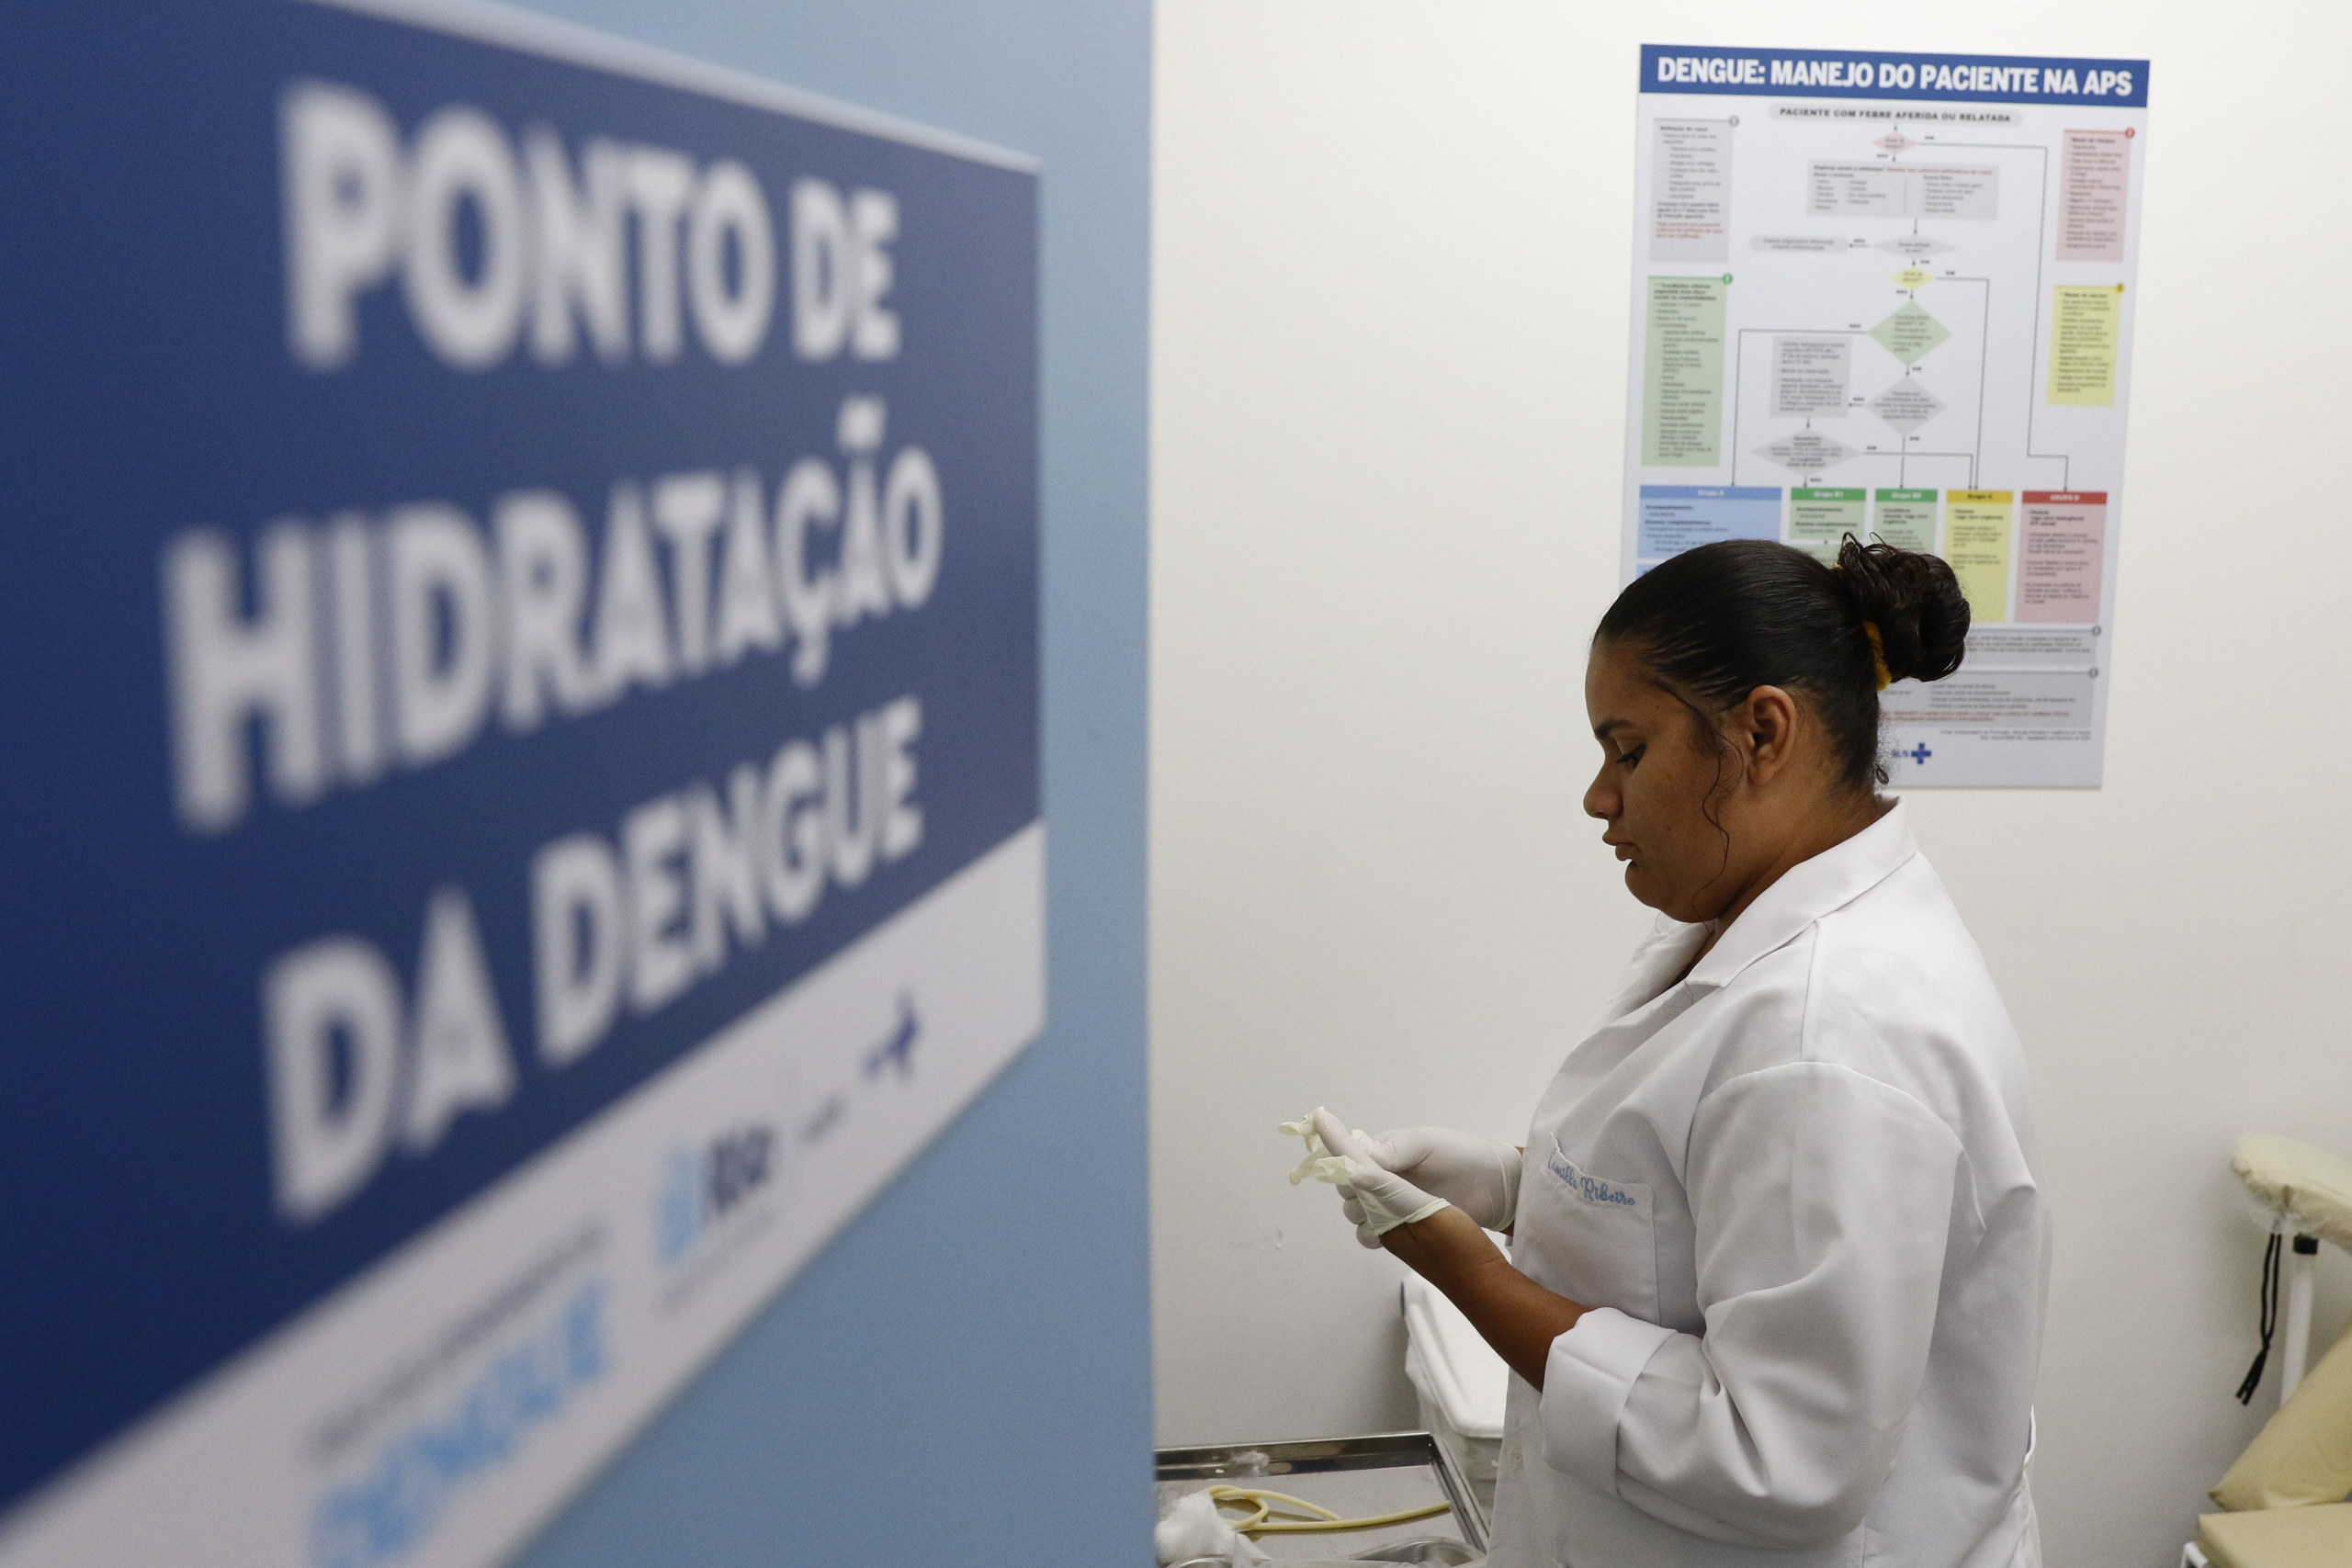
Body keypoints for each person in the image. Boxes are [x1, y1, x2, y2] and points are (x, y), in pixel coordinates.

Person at [1298, 536, 2049, 1567]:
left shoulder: (1828, 1031)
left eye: (1629, 750)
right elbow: (1717, 1204)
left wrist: (1464, 1269)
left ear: (1761, 733)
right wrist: (1512, 1190)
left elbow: (1778, 1458)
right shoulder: (1761, 937)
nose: (1598, 797)